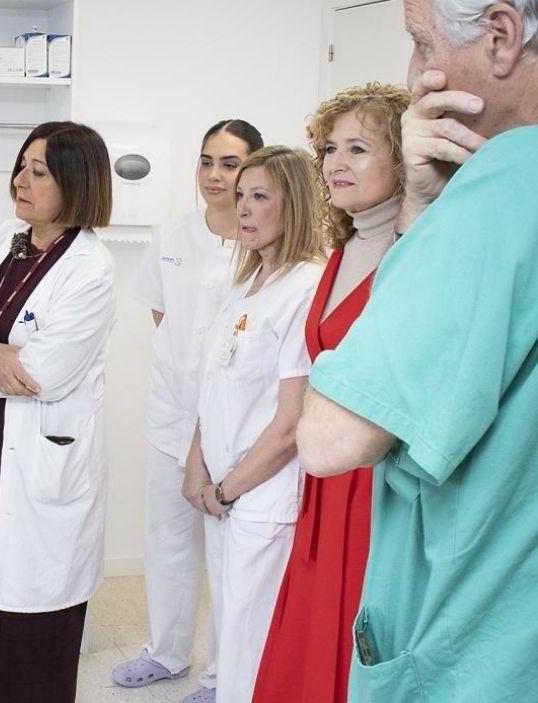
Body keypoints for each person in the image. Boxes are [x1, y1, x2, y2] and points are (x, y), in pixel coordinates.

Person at [297, 0, 538, 699]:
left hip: (480, 649)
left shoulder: (505, 183)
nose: (414, 73)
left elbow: (329, 437)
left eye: (419, 42)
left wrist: (420, 215)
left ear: (500, 35)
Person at [0, 121, 116, 703]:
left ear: (76, 182)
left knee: (34, 616)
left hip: (38, 458)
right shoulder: (7, 236)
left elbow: (44, 374)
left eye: (39, 171)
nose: (21, 180)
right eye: (21, 166)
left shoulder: (91, 268)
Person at [251, 83, 409, 703]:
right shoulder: (341, 252)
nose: (337, 163)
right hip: (325, 479)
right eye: (330, 149)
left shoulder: (413, 252)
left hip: (380, 479)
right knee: (313, 629)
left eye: (359, 148)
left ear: (405, 159)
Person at [113, 118, 264, 703]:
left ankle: (223, 674)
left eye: (229, 164)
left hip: (233, 427)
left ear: (253, 169)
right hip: (170, 415)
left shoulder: (261, 242)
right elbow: (162, 317)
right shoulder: (171, 236)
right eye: (206, 161)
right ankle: (168, 652)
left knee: (227, 553)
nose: (215, 175)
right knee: (168, 538)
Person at [186, 145, 325, 703]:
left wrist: (226, 488)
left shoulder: (307, 287)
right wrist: (197, 469)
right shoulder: (246, 284)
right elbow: (213, 387)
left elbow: (291, 423)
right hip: (222, 494)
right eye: (242, 196)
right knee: (229, 631)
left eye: (259, 196)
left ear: (293, 207)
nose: (243, 208)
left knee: (252, 642)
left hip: (260, 496)